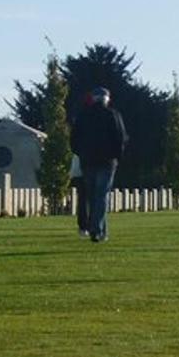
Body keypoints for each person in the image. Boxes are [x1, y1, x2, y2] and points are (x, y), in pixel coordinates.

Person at [71, 86, 128, 243]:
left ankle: (99, 229)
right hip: (107, 161)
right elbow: (120, 138)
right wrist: (117, 157)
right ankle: (97, 230)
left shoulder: (83, 116)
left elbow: (74, 139)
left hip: (87, 161)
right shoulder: (113, 115)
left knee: (92, 196)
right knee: (101, 196)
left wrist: (81, 153)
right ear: (107, 99)